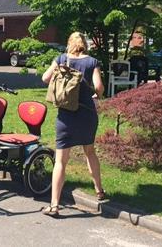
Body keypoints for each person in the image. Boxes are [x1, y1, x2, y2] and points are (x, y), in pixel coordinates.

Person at [41, 31, 105, 217]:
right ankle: (99, 190)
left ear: (69, 43)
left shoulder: (61, 59)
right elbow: (99, 87)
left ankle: (54, 205)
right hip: (87, 115)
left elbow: (45, 78)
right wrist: (96, 95)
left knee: (61, 161)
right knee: (90, 152)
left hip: (66, 116)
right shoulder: (92, 62)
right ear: (84, 44)